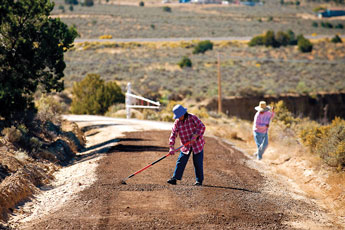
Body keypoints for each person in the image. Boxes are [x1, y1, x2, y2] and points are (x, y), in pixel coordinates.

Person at [167, 104, 206, 186]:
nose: (178, 117)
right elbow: (173, 134)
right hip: (186, 145)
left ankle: (199, 181)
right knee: (180, 161)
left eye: (179, 116)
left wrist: (195, 135)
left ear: (183, 114)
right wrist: (171, 147)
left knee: (198, 163)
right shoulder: (177, 122)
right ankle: (175, 178)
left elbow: (202, 127)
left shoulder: (193, 118)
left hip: (197, 144)